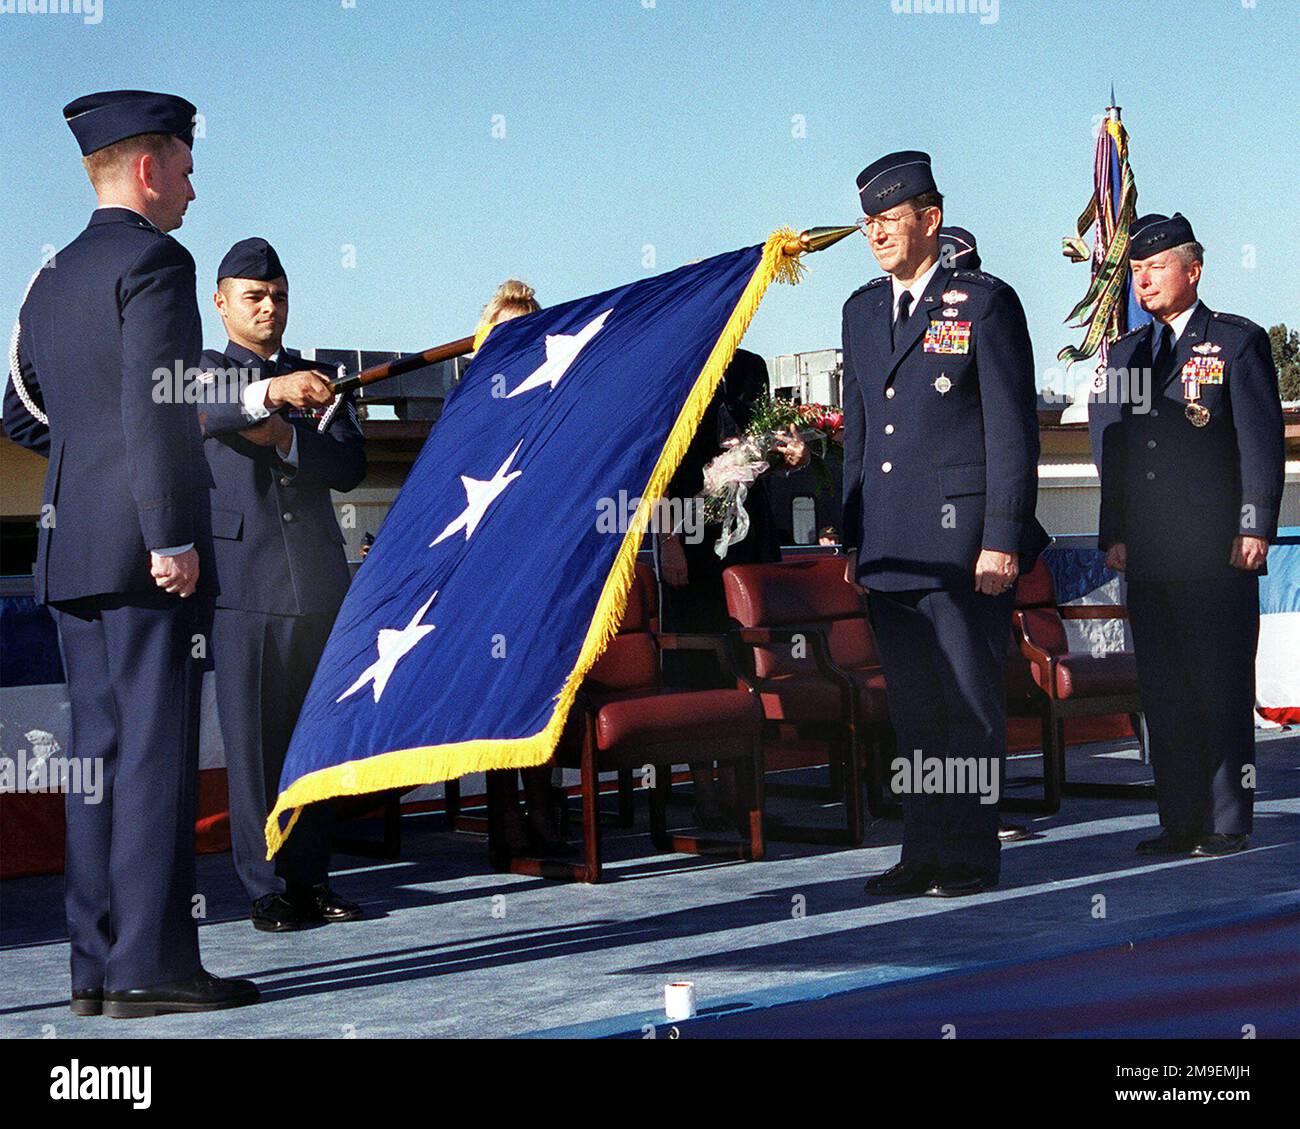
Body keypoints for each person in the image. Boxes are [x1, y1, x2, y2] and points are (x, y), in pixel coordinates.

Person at [2, 90, 257, 1016]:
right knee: (154, 756)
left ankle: (95, 969)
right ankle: (150, 965)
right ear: (148, 170)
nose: (193, 186)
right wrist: (166, 531)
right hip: (148, 551)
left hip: (71, 546)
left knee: (97, 759)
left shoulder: (52, 276)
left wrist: (89, 476)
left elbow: (18, 412)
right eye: (185, 169)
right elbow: (157, 402)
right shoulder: (157, 259)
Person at [841, 151, 1048, 897]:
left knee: (966, 702)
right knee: (914, 710)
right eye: (868, 223)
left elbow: (1011, 431)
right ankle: (922, 850)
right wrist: (852, 535)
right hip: (890, 544)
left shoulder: (984, 303)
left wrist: (1001, 535)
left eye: (889, 220)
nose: (877, 234)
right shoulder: (862, 310)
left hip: (963, 545)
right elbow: (859, 435)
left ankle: (966, 854)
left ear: (930, 218)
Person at [1090, 213, 1285, 858]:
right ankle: (1178, 820)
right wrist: (1113, 530)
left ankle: (1226, 820)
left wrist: (1254, 525)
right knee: (1166, 688)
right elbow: (1112, 450)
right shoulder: (1126, 354)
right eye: (1136, 270)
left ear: (1192, 271)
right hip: (1150, 550)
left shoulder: (1235, 343)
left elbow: (1260, 445)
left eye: (1155, 267)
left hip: (1216, 548)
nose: (1142, 279)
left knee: (1219, 681)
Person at [198, 238, 367, 930]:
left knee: (312, 741)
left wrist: (289, 440)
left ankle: (311, 877)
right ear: (222, 303)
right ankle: (265, 886)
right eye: (254, 296)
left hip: (319, 583)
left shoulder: (318, 377)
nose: (269, 307)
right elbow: (207, 409)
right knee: (254, 746)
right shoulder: (202, 371)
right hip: (244, 585)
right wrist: (269, 400)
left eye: (279, 296)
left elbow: (351, 463)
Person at [656, 349, 807, 828]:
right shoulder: (670, 367)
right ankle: (704, 792)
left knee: (749, 654)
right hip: (690, 535)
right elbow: (655, 463)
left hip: (749, 535)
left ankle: (745, 788)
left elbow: (760, 449)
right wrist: (667, 539)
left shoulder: (751, 367)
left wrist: (790, 457)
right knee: (701, 660)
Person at [475, 280, 573, 854]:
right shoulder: (472, 406)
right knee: (496, 692)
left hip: (541, 572)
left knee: (542, 690)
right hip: (488, 578)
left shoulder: (557, 404)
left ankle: (544, 807)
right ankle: (504, 815)